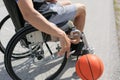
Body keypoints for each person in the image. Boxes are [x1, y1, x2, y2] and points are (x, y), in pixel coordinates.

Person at [15, 0, 86, 58]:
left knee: (68, 3)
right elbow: (29, 14)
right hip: (46, 15)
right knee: (82, 8)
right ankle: (75, 42)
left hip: (43, 8)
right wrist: (60, 33)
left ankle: (70, 33)